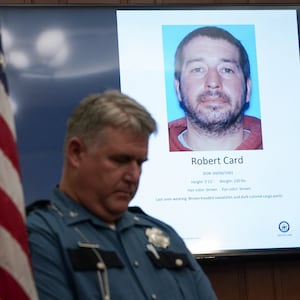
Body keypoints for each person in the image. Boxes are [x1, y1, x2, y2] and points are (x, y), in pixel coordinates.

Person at [26, 90, 218, 300]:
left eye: (140, 163)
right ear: (76, 153)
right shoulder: (41, 237)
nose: (134, 175)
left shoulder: (162, 236)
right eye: (120, 160)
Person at [168, 26, 263, 151]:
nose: (213, 82)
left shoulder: (284, 145)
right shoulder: (152, 149)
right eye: (198, 69)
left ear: (248, 89)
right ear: (178, 88)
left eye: (227, 70)